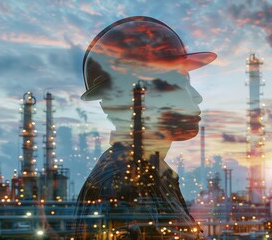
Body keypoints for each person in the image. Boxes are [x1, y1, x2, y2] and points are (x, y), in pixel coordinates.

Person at [75, 16, 216, 239]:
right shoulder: (119, 184)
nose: (197, 97)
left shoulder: (156, 176)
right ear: (139, 96)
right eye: (180, 83)